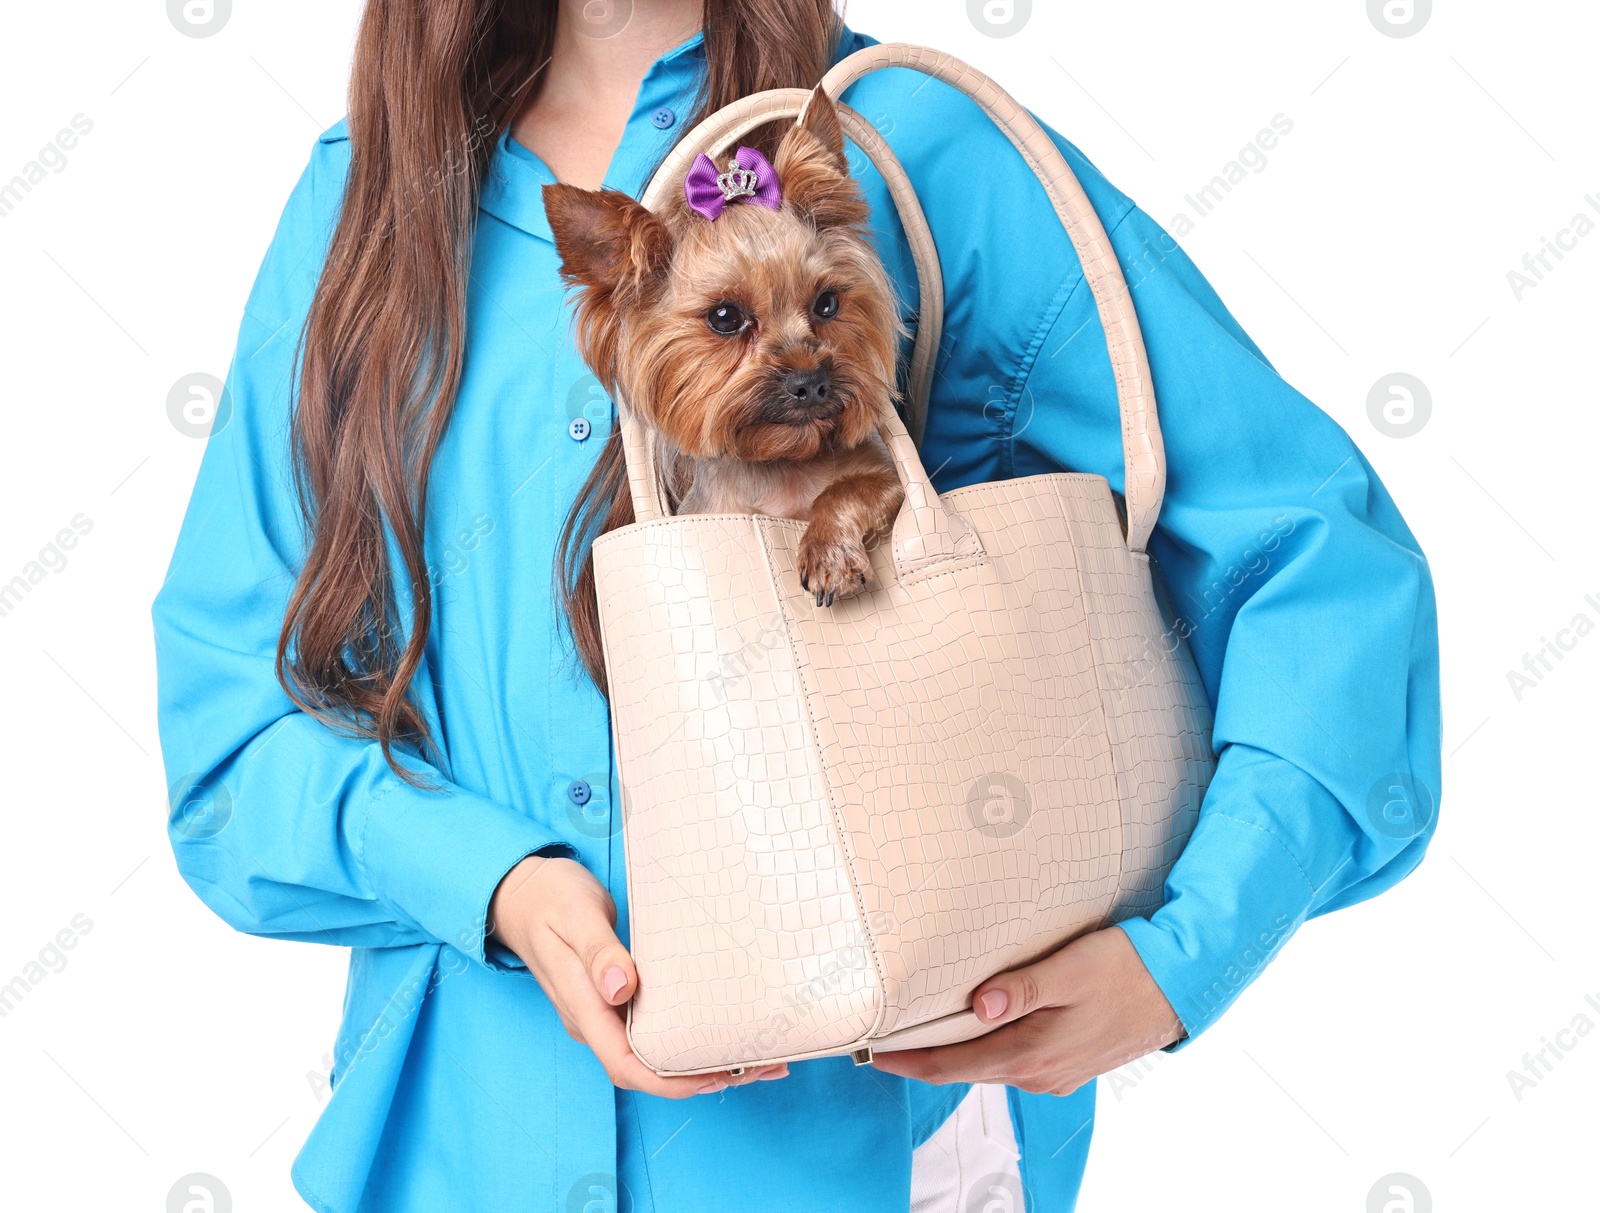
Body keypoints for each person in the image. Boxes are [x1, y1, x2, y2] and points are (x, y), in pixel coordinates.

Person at [152, 1, 1441, 1209]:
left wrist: (1184, 952)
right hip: (455, 1155)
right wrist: (495, 885)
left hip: (878, 1144)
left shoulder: (923, 152)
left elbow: (1318, 559)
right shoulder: (360, 212)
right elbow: (232, 733)